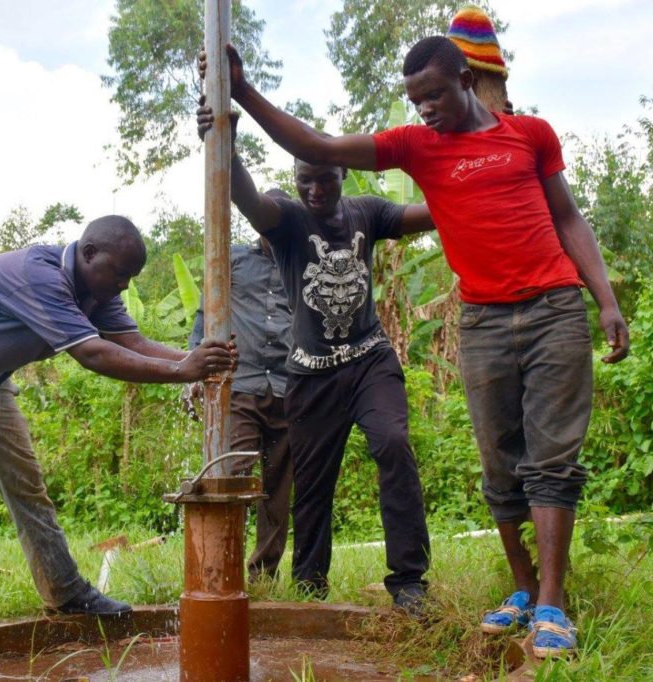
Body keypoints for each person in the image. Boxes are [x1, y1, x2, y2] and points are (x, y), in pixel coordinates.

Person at [208, 36, 630, 657]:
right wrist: (239, 92)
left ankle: (545, 602)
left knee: (533, 458)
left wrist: (607, 298)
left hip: (542, 310)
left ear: (464, 77)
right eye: (415, 99)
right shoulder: (403, 155)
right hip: (450, 330)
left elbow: (565, 215)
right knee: (494, 463)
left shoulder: (528, 135)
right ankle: (512, 590)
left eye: (434, 94)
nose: (425, 107)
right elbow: (309, 150)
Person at [0, 215, 238, 675]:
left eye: (129, 277)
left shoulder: (97, 290)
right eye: (118, 273)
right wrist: (181, 371)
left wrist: (197, 361)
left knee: (28, 489)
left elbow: (131, 341)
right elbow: (92, 354)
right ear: (88, 254)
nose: (122, 285)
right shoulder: (39, 274)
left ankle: (65, 594)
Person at [197, 108, 436, 614]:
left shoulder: (367, 213)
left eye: (324, 178)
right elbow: (247, 199)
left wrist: (464, 175)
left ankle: (409, 581)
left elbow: (426, 214)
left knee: (392, 444)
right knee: (311, 485)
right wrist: (227, 143)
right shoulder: (287, 224)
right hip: (309, 374)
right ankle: (309, 588)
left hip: (370, 359)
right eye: (304, 179)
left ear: (341, 174)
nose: (314, 189)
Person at [184, 208, 294, 581]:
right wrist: (192, 372)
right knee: (230, 474)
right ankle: (222, 568)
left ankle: (263, 574)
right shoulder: (232, 261)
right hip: (241, 384)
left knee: (278, 489)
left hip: (290, 386)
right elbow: (205, 315)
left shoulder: (303, 262)